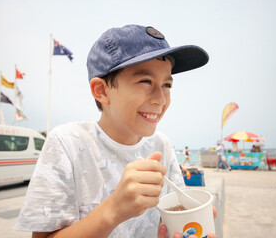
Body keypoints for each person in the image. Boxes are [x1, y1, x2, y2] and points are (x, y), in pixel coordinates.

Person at [15, 25, 216, 238]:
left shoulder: (162, 146)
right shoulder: (67, 143)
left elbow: (168, 221)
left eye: (167, 85)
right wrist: (114, 209)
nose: (160, 99)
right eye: (145, 81)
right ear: (101, 91)